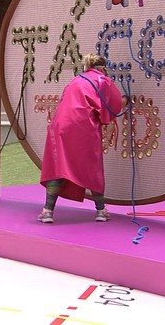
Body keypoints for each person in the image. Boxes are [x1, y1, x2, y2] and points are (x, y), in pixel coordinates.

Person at [38, 54, 125, 223]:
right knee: (93, 167)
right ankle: (101, 211)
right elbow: (113, 105)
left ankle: (47, 211)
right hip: (84, 126)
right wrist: (126, 101)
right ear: (103, 67)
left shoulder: (76, 80)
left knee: (59, 168)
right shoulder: (103, 80)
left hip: (60, 126)